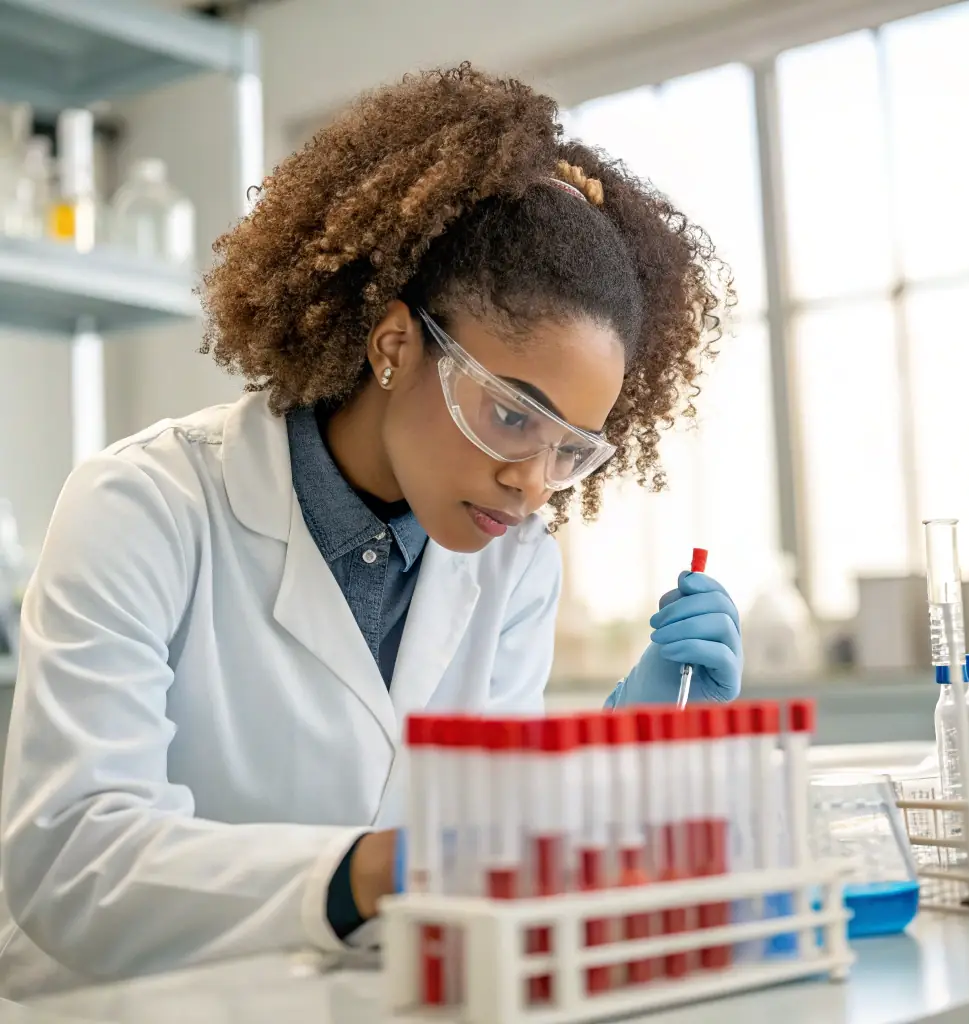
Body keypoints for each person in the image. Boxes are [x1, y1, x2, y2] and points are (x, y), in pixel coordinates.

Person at [0, 65, 742, 997]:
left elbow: (483, 838)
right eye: (514, 415)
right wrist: (376, 871)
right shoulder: (141, 507)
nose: (531, 486)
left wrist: (615, 757)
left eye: (571, 451)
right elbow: (74, 860)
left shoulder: (513, 564)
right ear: (394, 345)